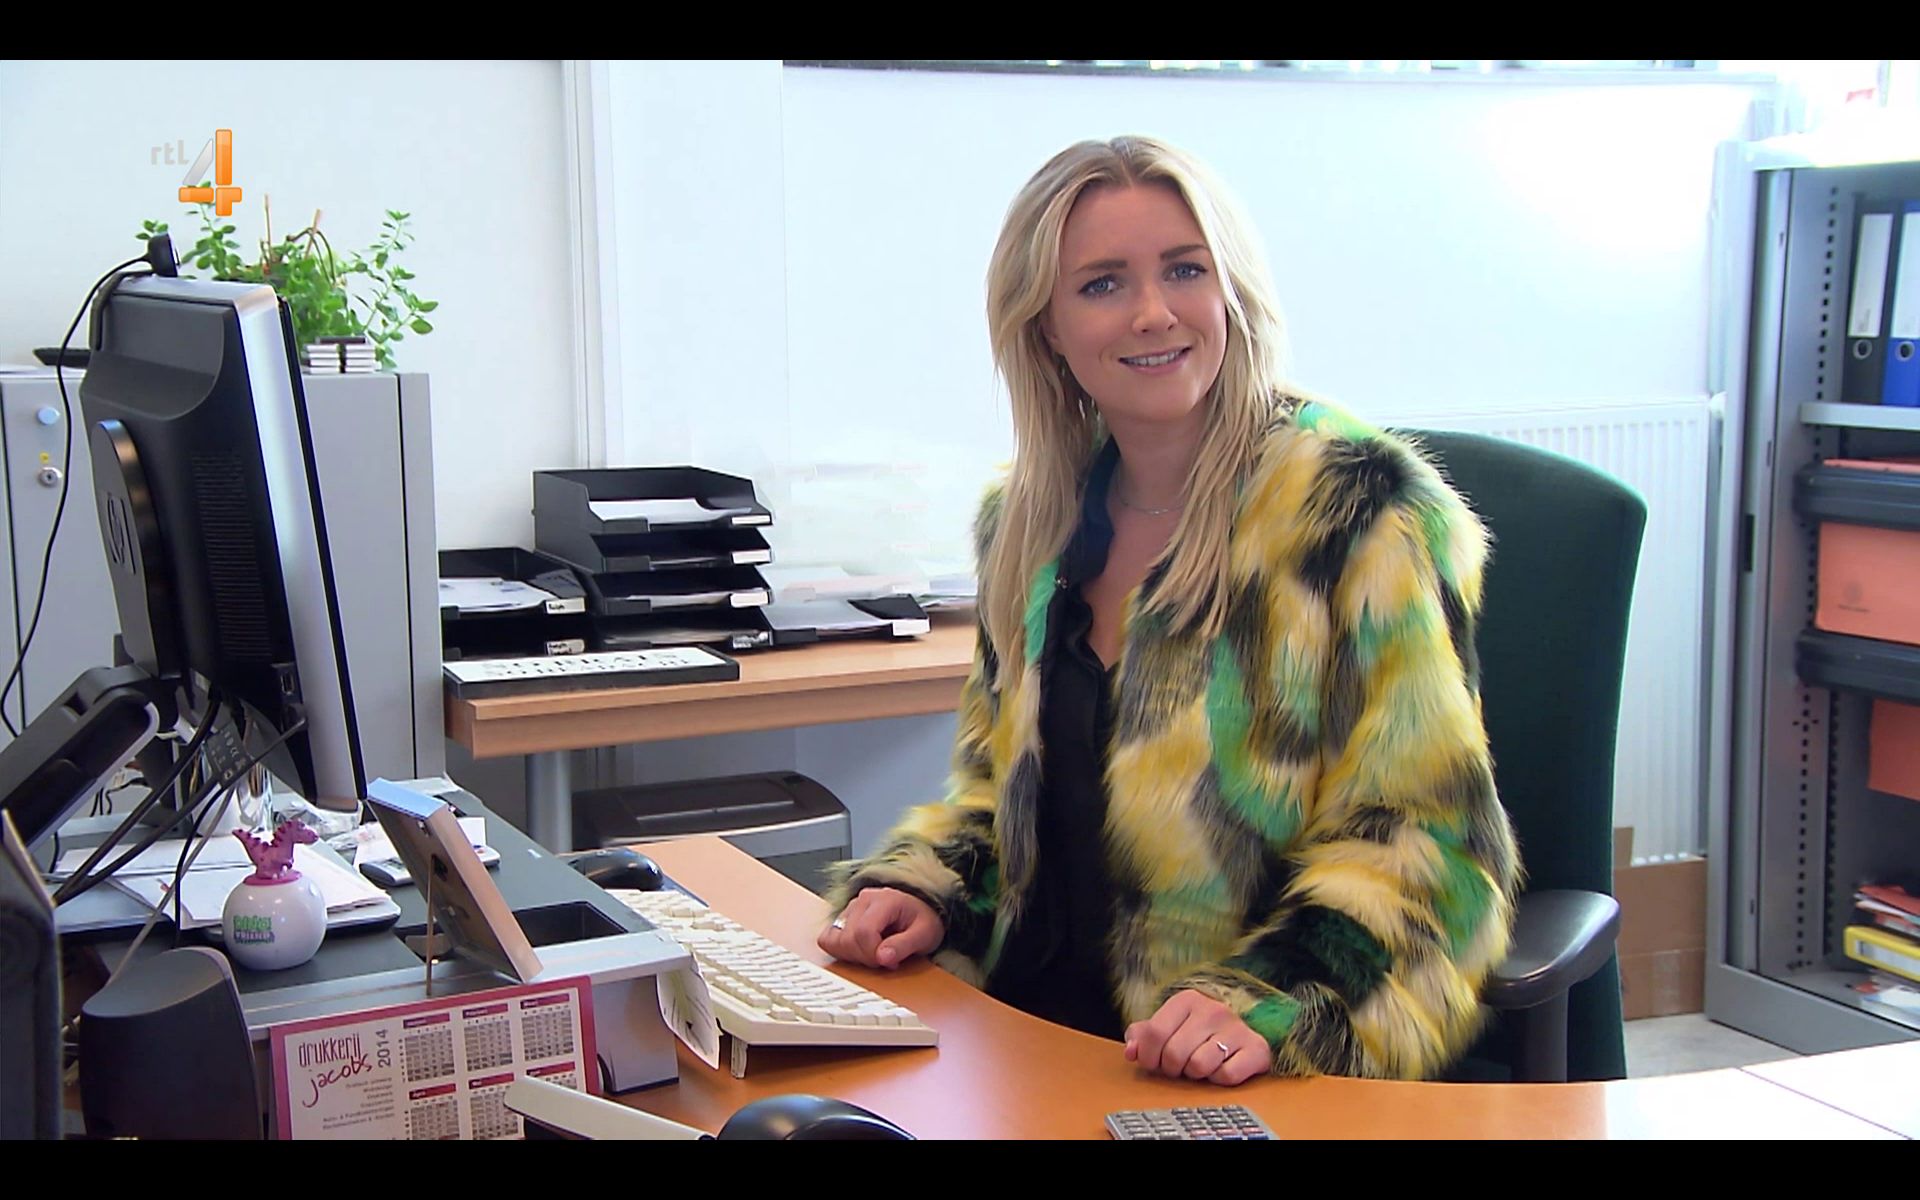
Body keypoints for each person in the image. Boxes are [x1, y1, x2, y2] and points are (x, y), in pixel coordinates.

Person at [817, 135, 1520, 1085]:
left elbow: (1428, 849)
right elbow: (994, 792)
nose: (1154, 312)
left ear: (1231, 289)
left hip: (1231, 1067)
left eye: (1186, 270)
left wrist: (1268, 1001)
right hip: (1030, 1036)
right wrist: (930, 888)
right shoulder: (1027, 523)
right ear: (1046, 327)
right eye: (1102, 284)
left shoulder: (1354, 515)